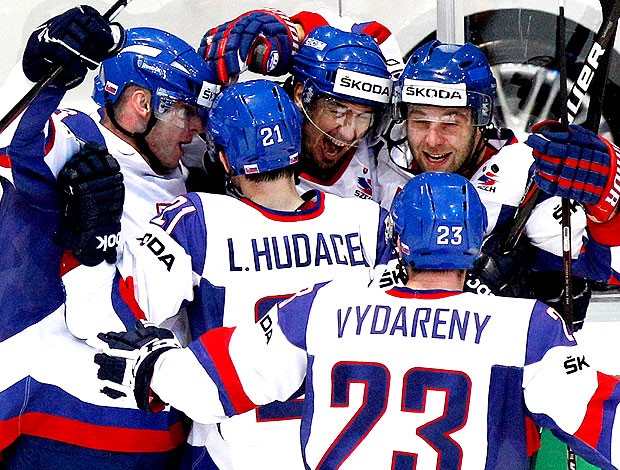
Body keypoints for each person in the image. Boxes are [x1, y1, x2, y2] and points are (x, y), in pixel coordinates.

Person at [94, 172, 620, 469]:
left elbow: (214, 383)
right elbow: (605, 422)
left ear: (397, 240)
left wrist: (152, 367)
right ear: (476, 242)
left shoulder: (326, 306)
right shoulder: (525, 328)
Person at [85, 78, 393, 469]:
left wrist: (94, 235)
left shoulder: (197, 221)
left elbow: (115, 311)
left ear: (226, 160)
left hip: (236, 450)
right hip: (349, 451)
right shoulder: (369, 223)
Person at [0, 7, 220, 468]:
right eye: (187, 112)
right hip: (59, 416)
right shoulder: (82, 138)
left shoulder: (196, 171)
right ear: (142, 104)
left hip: (160, 423)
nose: (198, 126)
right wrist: (48, 73)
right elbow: (20, 142)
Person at [373, 39, 620, 329]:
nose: (432, 140)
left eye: (451, 123)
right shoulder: (383, 158)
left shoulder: (525, 176)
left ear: (481, 119)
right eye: (420, 121)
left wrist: (608, 200)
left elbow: (609, 268)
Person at [200, 9, 404, 200]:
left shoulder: (379, 150)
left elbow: (366, 36)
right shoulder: (255, 143)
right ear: (300, 95)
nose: (348, 133)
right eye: (337, 111)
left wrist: (297, 31)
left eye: (363, 116)